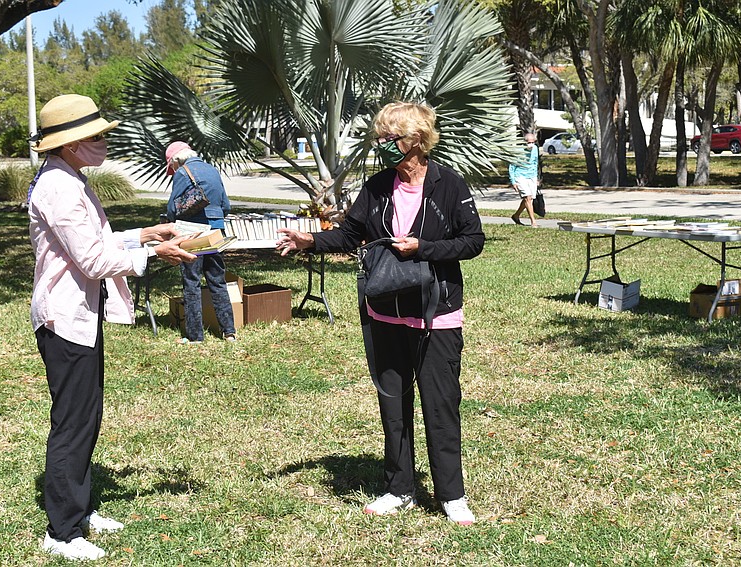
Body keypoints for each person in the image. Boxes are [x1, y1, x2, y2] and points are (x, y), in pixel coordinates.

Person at [276, 102, 484, 526]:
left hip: (435, 315)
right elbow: (352, 234)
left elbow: (473, 241)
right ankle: (399, 488)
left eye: (392, 139)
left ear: (418, 141)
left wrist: (422, 249)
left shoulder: (449, 185)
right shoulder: (375, 187)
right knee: (393, 403)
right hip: (385, 312)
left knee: (440, 404)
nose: (384, 146)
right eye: (381, 139)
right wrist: (309, 240)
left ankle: (452, 494)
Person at [28, 94, 195, 561]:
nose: (104, 142)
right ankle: (61, 532)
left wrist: (144, 235)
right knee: (72, 423)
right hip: (65, 319)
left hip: (80, 316)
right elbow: (93, 258)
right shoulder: (59, 187)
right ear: (71, 143)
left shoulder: (69, 178)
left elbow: (92, 239)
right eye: (97, 136)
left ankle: (78, 512)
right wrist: (155, 254)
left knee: (86, 416)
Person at [164, 141, 236, 343]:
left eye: (173, 166)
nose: (174, 170)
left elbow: (172, 209)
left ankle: (195, 336)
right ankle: (229, 332)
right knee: (217, 280)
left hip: (193, 232)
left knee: (192, 282)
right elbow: (226, 205)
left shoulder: (182, 172)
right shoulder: (212, 169)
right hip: (216, 230)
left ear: (176, 160)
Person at [509, 132, 540, 227]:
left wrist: (536, 178)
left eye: (532, 142)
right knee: (527, 197)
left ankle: (516, 215)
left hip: (531, 176)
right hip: (520, 176)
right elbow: (512, 166)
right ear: (524, 142)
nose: (531, 144)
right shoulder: (518, 151)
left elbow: (535, 163)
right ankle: (533, 222)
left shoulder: (535, 149)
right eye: (528, 142)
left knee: (528, 199)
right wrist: (513, 181)